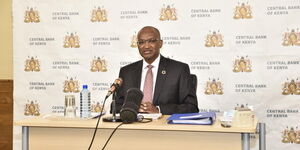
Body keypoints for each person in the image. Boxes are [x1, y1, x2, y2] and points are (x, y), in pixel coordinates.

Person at [115, 26, 198, 115]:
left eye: (151, 41)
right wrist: (132, 108)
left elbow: (191, 107)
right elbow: (115, 106)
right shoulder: (126, 72)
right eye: (141, 42)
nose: (146, 46)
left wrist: (159, 110)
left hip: (163, 126)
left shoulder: (179, 70)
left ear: (160, 43)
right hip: (133, 125)